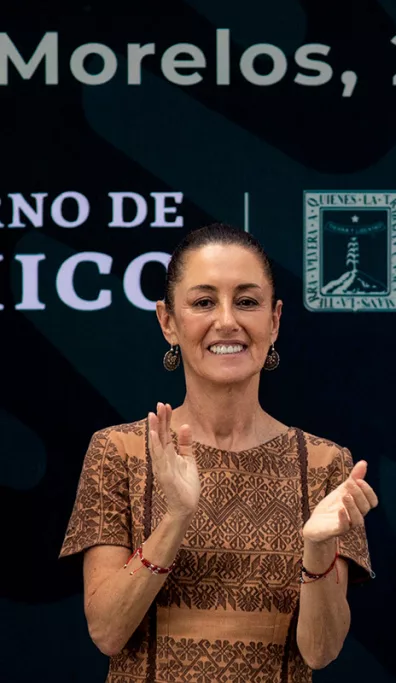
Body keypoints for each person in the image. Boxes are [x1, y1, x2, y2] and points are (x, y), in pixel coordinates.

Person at [58, 223, 377, 682]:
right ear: (168, 322)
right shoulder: (119, 451)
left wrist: (317, 547)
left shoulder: (326, 465)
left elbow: (320, 651)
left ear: (275, 320)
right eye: (204, 302)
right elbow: (107, 632)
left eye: (247, 301)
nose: (227, 321)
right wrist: (175, 517)